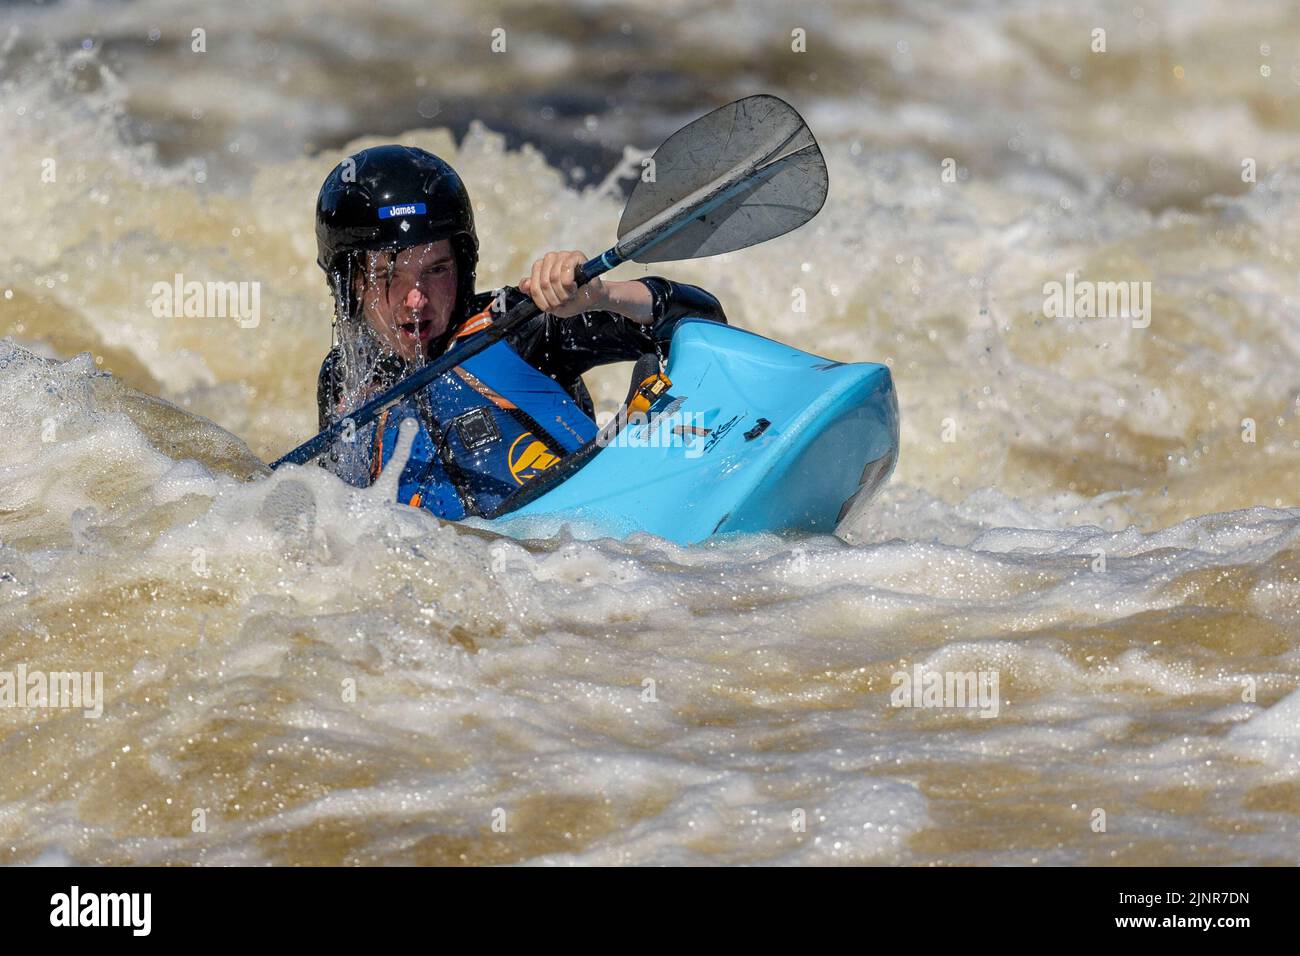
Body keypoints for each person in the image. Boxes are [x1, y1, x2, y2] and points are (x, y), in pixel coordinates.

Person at [314, 145, 727, 519]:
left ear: (462, 267)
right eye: (388, 275)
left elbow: (701, 318)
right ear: (349, 284)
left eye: (436, 270)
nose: (415, 300)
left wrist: (603, 296)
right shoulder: (344, 376)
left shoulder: (519, 325)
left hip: (581, 557)